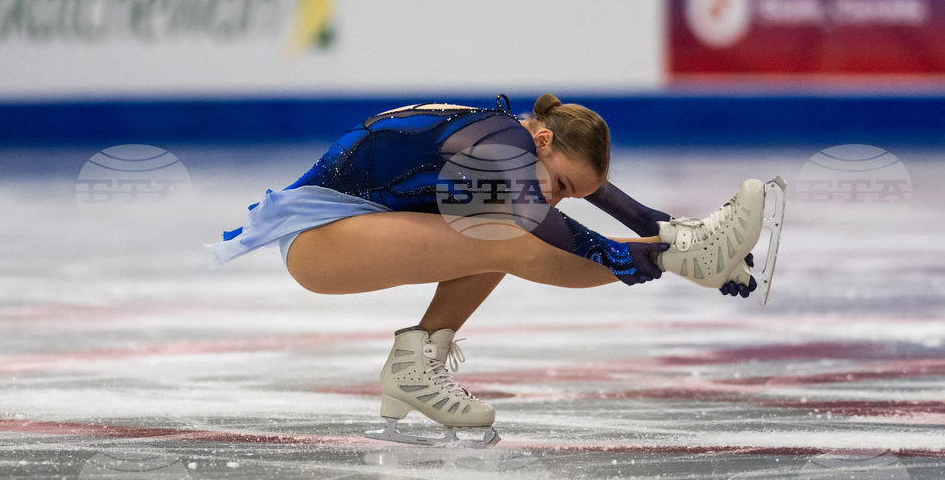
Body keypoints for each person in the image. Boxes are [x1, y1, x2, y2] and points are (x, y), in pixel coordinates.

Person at [206, 94, 766, 447]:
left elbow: (621, 208)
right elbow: (537, 221)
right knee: (507, 235)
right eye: (563, 185)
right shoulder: (503, 145)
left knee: (495, 227)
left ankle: (413, 365)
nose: (562, 198)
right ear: (541, 140)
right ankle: (690, 261)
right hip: (316, 240)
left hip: (340, 233)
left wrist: (668, 232)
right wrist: (650, 258)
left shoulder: (520, 144)